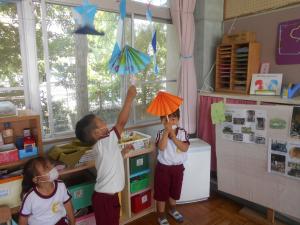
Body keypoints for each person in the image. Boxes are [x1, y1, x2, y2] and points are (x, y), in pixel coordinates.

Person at [75, 85, 137, 225]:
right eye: (101, 121)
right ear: (96, 133)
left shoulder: (103, 146)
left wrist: (122, 153)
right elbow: (121, 123)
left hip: (109, 197)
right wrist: (129, 98)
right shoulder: (104, 142)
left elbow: (109, 163)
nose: (104, 122)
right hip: (104, 199)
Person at [154, 109, 190, 225]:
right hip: (163, 168)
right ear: (162, 121)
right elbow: (161, 148)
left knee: (175, 190)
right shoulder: (160, 133)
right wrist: (166, 132)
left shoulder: (183, 132)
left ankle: (173, 209)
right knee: (161, 192)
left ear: (178, 120)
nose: (170, 122)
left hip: (178, 168)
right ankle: (161, 215)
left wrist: (173, 136)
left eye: (173, 119)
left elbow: (184, 148)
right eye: (166, 120)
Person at [19, 157, 75, 225]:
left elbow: (68, 205)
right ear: (36, 179)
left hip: (60, 222)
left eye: (51, 165)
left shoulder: (61, 185)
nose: (52, 168)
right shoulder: (30, 197)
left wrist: (73, 223)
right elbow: (23, 218)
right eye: (46, 168)